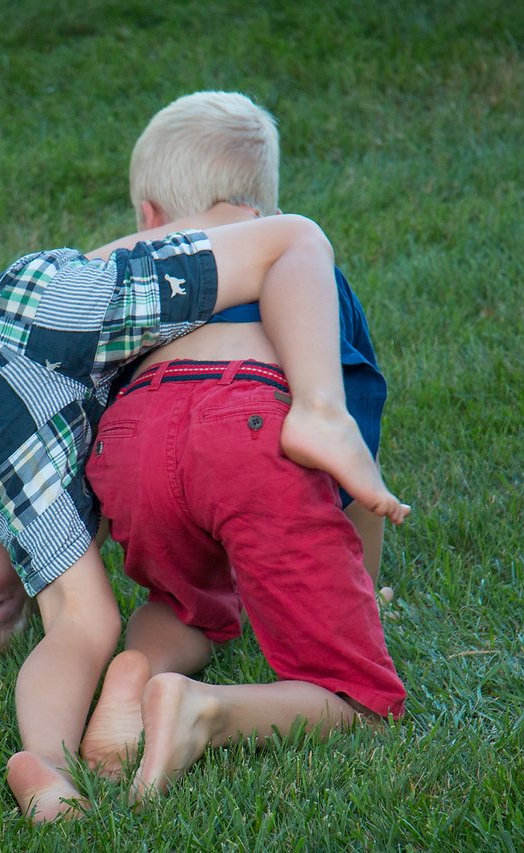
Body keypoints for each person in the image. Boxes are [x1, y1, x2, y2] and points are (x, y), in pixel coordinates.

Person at [0, 203, 410, 820]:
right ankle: (236, 226)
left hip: (30, 340)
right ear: (22, 573)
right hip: (21, 314)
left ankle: (43, 756)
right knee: (287, 239)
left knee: (86, 620)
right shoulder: (20, 504)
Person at [79, 91, 408, 801]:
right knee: (359, 697)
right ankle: (208, 711)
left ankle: (136, 668)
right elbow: (347, 449)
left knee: (185, 598)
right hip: (250, 423)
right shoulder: (306, 272)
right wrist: (361, 590)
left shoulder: (137, 285)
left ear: (150, 216)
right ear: (264, 205)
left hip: (131, 441)